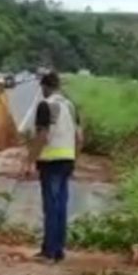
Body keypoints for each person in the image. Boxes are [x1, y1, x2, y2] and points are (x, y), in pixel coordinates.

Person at [21, 71, 82, 263]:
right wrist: (74, 159)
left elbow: (42, 137)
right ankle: (58, 250)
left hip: (51, 163)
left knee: (51, 207)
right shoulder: (70, 106)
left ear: (45, 87)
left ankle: (48, 252)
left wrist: (29, 161)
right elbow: (80, 138)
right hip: (67, 161)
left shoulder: (45, 106)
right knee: (61, 207)